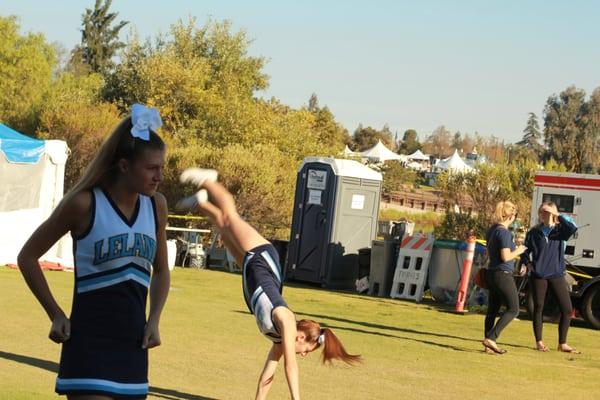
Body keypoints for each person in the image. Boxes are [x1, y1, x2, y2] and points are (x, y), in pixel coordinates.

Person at [17, 104, 170, 399]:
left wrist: (154, 319)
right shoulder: (85, 204)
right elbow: (28, 257)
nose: (159, 176)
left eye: (161, 167)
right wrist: (56, 314)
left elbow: (161, 270)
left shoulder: (156, 206)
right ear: (124, 165)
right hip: (89, 349)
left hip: (134, 351)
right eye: (151, 168)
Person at [176, 168, 360, 400]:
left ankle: (202, 204)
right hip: (263, 258)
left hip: (252, 272)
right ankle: (209, 181)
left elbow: (268, 376)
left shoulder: (279, 340)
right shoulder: (287, 321)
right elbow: (290, 367)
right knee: (231, 218)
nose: (302, 355)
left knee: (223, 228)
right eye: (306, 351)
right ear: (301, 338)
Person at [521, 202, 579, 353]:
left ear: (552, 213)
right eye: (542, 212)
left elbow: (573, 228)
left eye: (546, 212)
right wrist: (527, 264)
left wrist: (557, 214)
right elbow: (525, 251)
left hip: (557, 274)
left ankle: (562, 343)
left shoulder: (560, 231)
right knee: (538, 307)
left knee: (567, 309)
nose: (543, 214)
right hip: (538, 275)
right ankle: (539, 342)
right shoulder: (534, 232)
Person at [482, 200, 527, 354]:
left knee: (492, 310)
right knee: (513, 309)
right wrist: (519, 250)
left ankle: (488, 345)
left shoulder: (492, 230)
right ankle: (492, 338)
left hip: (491, 273)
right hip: (502, 274)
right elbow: (506, 256)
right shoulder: (504, 232)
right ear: (511, 216)